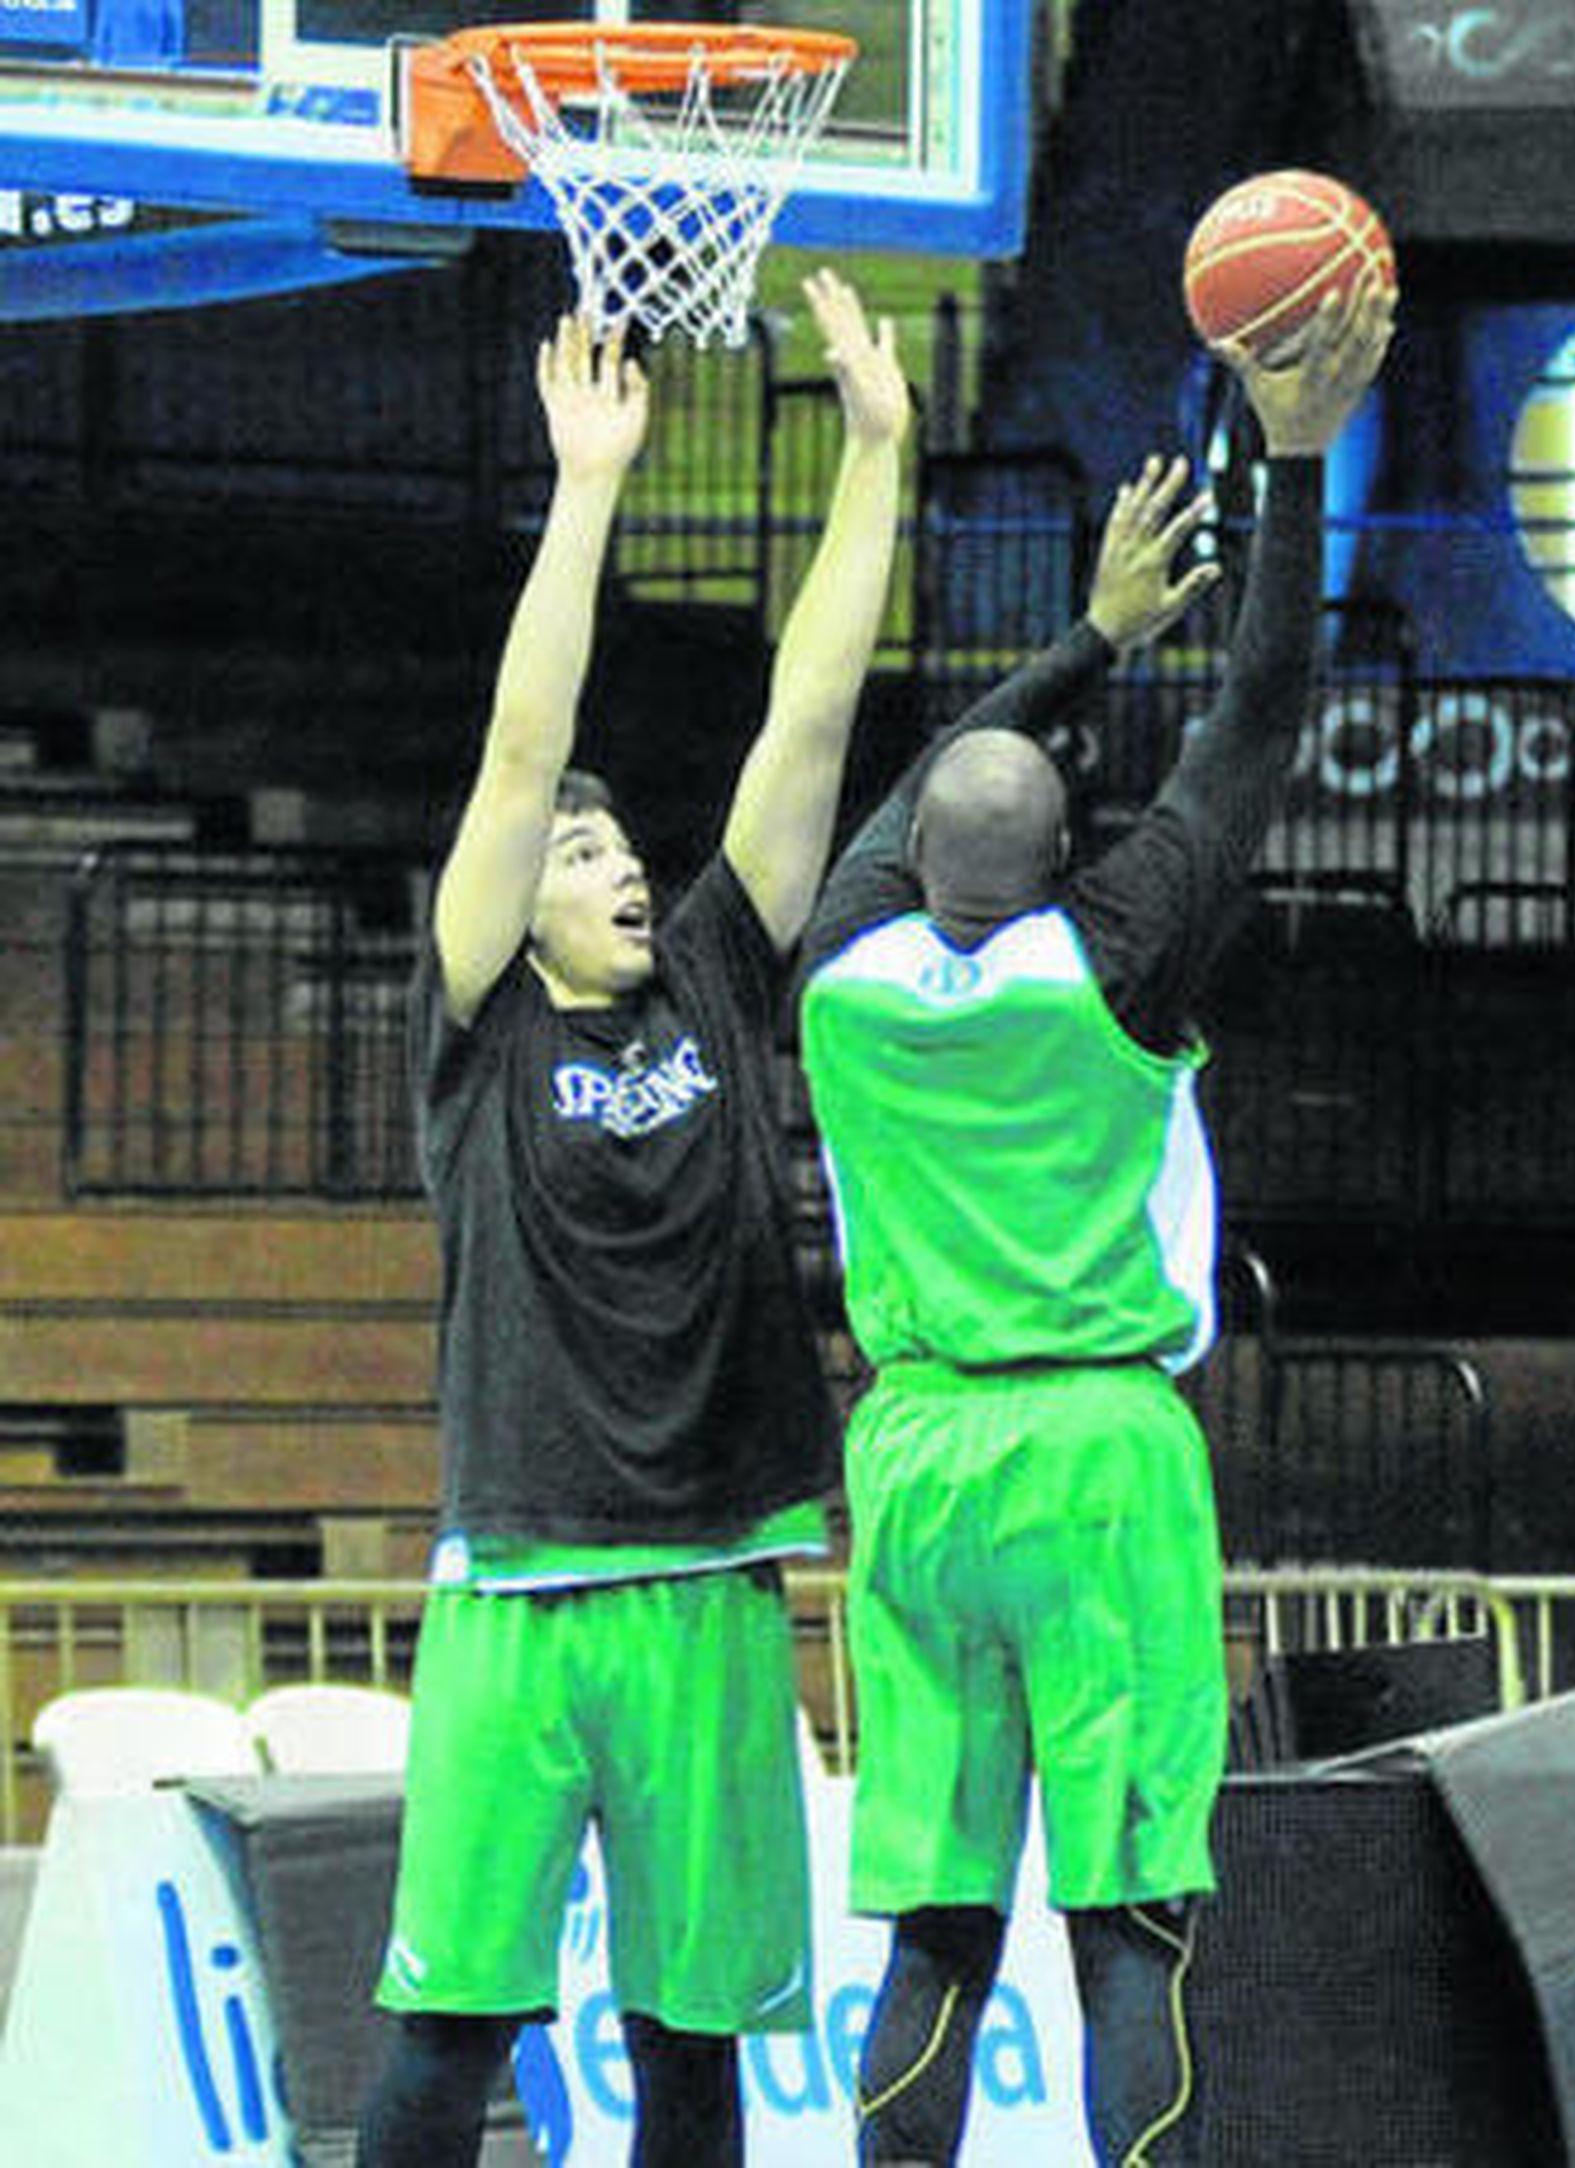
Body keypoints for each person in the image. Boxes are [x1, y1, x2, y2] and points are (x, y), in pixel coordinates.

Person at [797, 273, 1395, 2167]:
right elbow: (1263, 718)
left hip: (910, 1457)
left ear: (921, 864)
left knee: (939, 1938)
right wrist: (1294, 461)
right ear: (1067, 859)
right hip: (1095, 1460)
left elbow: (919, 793)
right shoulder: (1116, 962)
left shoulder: (836, 969)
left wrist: (1081, 640)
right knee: (1128, 1933)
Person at [357, 269, 910, 2168]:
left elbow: (814, 713)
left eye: (618, 847)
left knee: (696, 2052)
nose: (612, 864)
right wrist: (589, 486)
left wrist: (878, 453)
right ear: (510, 907)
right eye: (576, 856)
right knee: (449, 2045)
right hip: (517, 1586)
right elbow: (523, 756)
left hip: (707, 1587)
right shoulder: (479, 1028)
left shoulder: (718, 980)